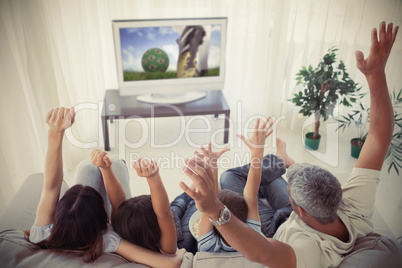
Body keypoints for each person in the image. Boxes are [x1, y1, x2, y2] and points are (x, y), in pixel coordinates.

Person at [179, 21, 399, 267]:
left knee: (231, 178)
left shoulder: (308, 250)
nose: (288, 190)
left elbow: (263, 253)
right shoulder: (355, 204)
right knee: (259, 181)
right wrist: (376, 76)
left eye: (290, 191)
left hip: (277, 227)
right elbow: (379, 138)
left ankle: (280, 162)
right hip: (298, 212)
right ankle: (284, 161)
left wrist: (213, 208)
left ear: (300, 210)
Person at [26, 107, 185, 267]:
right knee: (114, 162)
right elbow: (121, 205)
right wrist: (181, 254)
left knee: (87, 168)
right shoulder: (106, 239)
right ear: (104, 219)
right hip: (159, 224)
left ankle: (104, 165)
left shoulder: (43, 233)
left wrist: (55, 133)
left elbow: (51, 186)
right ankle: (112, 164)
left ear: (59, 214)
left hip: (138, 222)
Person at [90, 150, 178, 256]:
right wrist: (153, 177)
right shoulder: (166, 249)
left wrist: (105, 169)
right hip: (179, 230)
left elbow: (117, 202)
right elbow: (164, 213)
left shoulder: (118, 233)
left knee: (180, 203)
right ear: (157, 226)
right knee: (183, 203)